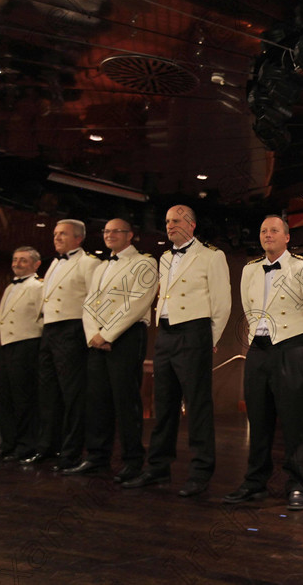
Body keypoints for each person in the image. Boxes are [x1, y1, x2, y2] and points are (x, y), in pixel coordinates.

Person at [123, 205, 231, 497]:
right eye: (167, 220)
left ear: (192, 225)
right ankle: (158, 467)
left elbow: (222, 304)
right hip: (166, 333)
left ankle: (200, 472)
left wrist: (209, 339)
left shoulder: (211, 256)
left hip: (194, 333)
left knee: (197, 405)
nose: (170, 225)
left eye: (177, 220)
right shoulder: (166, 257)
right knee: (165, 403)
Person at [223, 215, 303, 510]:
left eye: (274, 230)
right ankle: (255, 482)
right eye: (263, 230)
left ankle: (298, 485)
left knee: (294, 422)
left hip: (292, 348)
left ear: (287, 237)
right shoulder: (249, 270)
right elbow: (248, 306)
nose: (267, 234)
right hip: (258, 349)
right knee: (258, 419)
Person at [65, 219, 158, 482]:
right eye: (106, 231)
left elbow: (137, 303)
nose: (109, 235)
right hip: (96, 337)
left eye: (116, 231)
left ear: (130, 236)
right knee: (97, 400)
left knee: (125, 400)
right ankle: (97, 457)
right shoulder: (102, 266)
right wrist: (94, 335)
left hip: (126, 336)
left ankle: (132, 460)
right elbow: (88, 303)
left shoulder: (144, 262)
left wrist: (107, 334)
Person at [21, 220, 101, 471]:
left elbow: (95, 301)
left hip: (73, 328)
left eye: (62, 234)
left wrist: (92, 333)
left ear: (79, 238)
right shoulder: (54, 262)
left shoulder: (90, 263)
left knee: (72, 395)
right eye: (55, 234)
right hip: (50, 328)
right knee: (47, 392)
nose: (56, 238)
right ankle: (47, 447)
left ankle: (71, 452)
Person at [0, 247, 44, 462]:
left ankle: (25, 446)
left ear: (36, 264)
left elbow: (44, 317)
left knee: (23, 398)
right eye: (15, 259)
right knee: (4, 397)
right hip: (7, 345)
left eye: (23, 260)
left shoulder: (38, 286)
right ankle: (8, 443)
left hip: (27, 344)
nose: (17, 263)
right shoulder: (8, 287)